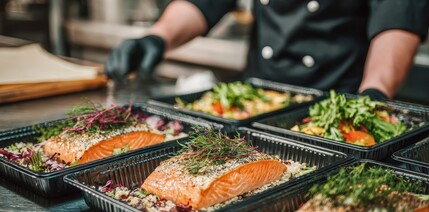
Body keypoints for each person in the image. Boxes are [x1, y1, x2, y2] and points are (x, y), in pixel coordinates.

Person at [104, 0, 429, 100]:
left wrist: (375, 91)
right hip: (256, 100)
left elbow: (397, 16)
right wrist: (158, 36)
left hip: (337, 101)